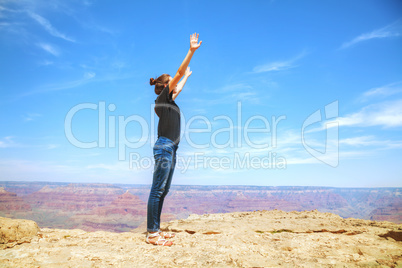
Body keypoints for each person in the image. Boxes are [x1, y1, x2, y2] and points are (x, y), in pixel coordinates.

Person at [146, 33, 202, 246]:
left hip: (171, 148)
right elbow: (177, 74)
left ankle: (156, 229)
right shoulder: (161, 99)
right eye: (173, 83)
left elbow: (179, 84)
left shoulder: (167, 101)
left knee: (163, 190)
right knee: (157, 189)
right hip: (164, 147)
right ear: (166, 87)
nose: (176, 84)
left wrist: (186, 77)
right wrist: (191, 51)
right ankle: (152, 234)